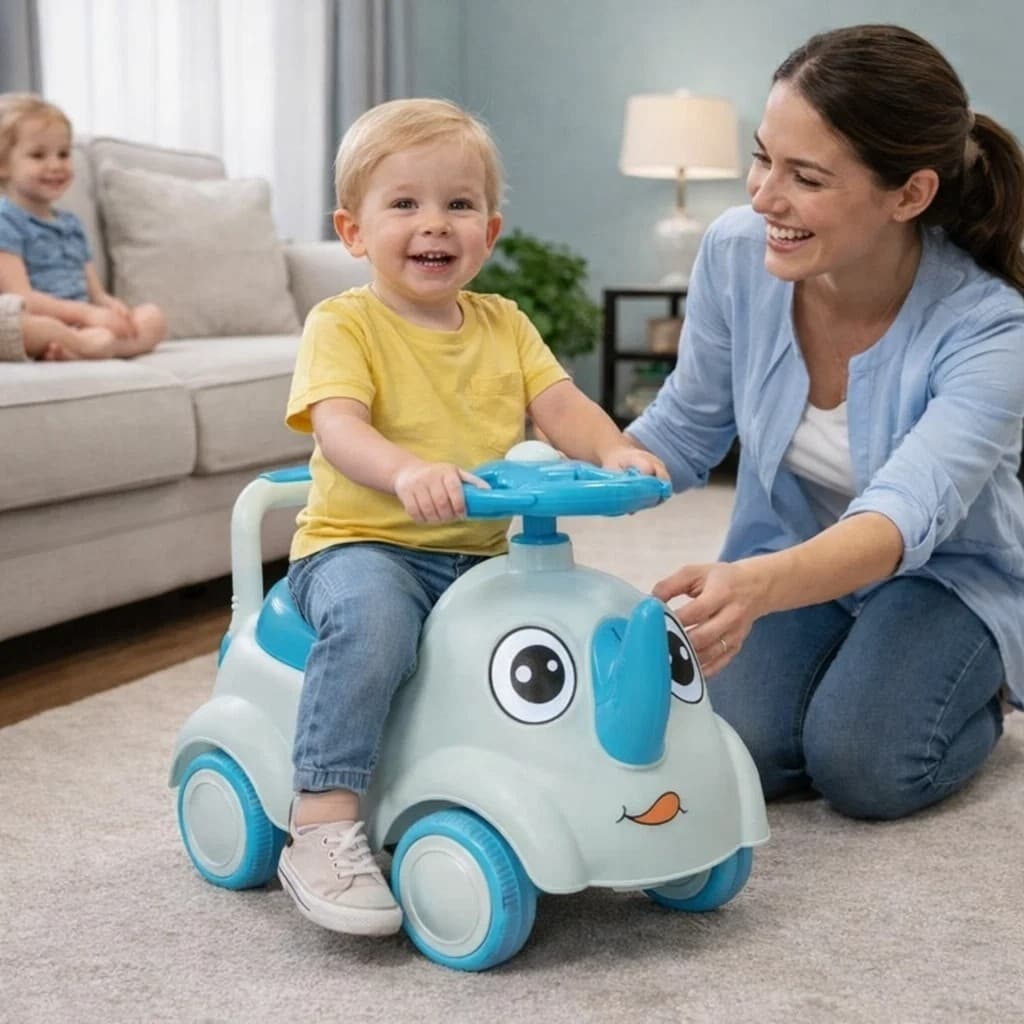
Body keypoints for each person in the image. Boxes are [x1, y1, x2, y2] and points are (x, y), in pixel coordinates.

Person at [280, 97, 667, 937]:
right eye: (404, 203)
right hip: (362, 547)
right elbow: (339, 428)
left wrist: (613, 448)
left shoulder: (505, 324)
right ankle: (322, 817)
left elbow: (559, 405)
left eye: (458, 204)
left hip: (480, 554)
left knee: (554, 630)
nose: (434, 224)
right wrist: (407, 470)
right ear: (352, 231)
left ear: (488, 233)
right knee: (375, 625)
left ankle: (559, 785)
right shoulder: (343, 324)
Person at [627, 23, 1024, 823]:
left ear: (909, 195)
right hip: (790, 552)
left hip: (947, 577)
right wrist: (553, 474)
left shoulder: (992, 330)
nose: (763, 196)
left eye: (805, 177)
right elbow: (683, 429)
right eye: (762, 157)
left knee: (863, 765)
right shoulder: (736, 254)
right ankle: (858, 664)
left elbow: (900, 517)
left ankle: (981, 689)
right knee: (738, 745)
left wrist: (753, 588)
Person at [0, 93, 165, 358]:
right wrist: (87, 314)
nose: (55, 165)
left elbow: (94, 293)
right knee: (20, 327)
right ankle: (87, 347)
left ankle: (81, 348)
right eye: (38, 155)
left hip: (84, 323)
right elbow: (22, 297)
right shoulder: (5, 220)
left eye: (63, 154)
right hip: (41, 318)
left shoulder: (71, 224)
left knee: (152, 318)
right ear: (3, 165)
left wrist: (109, 306)